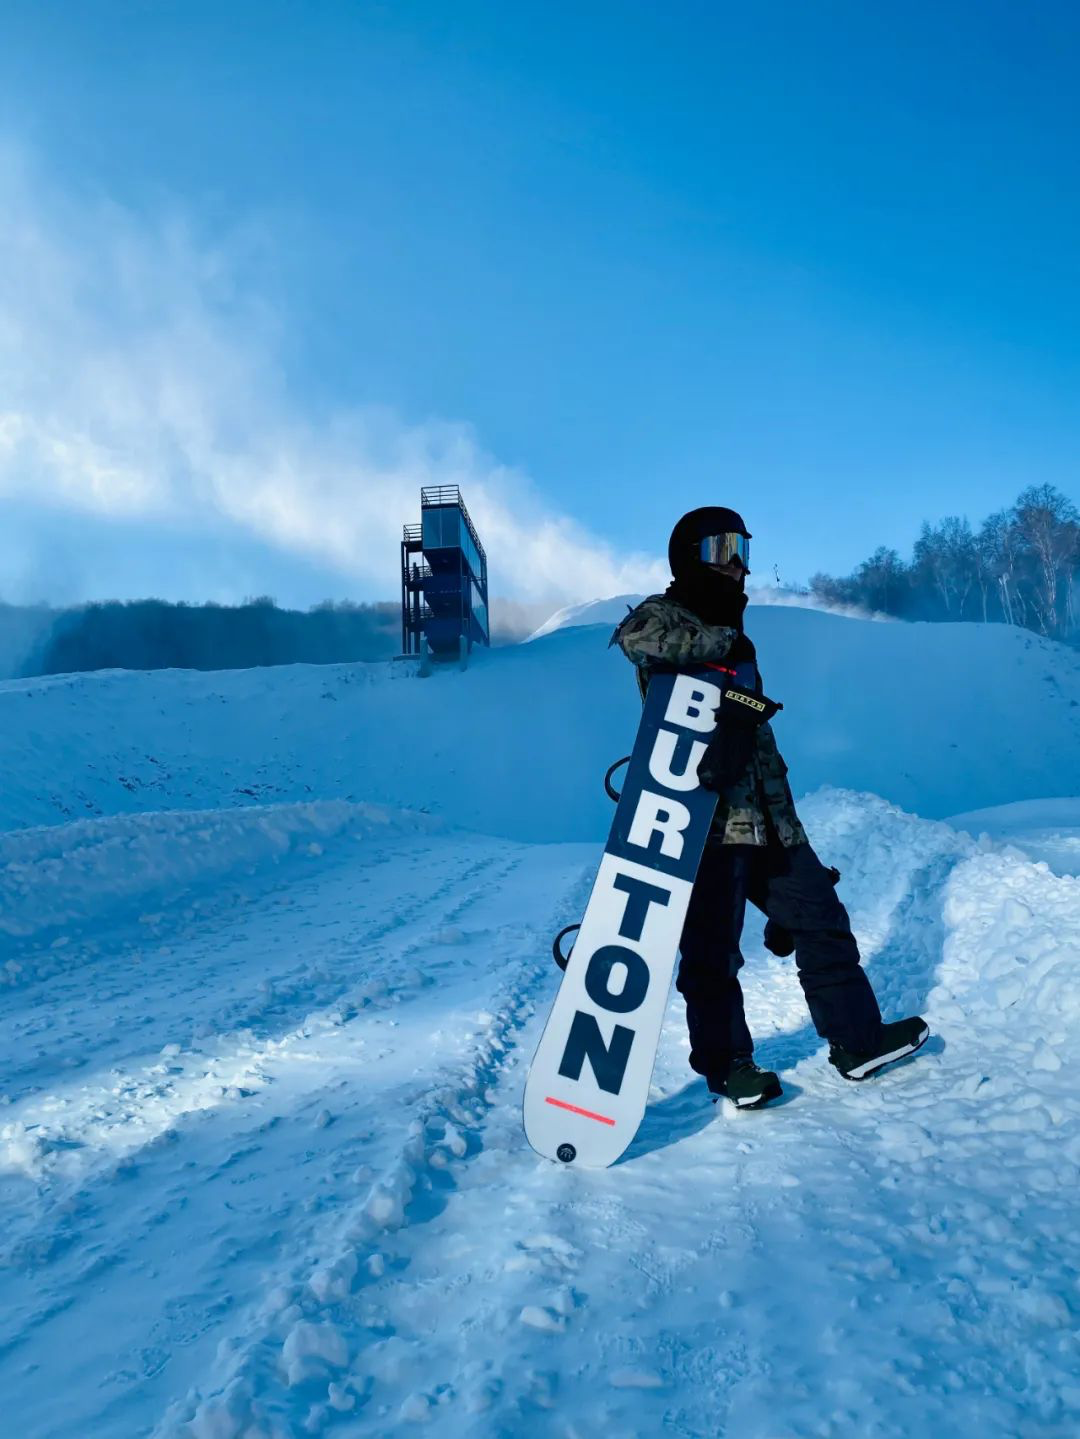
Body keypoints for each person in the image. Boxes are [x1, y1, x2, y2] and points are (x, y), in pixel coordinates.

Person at [610, 506, 929, 1108]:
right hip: (701, 820)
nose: (734, 563)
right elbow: (636, 639)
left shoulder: (736, 636)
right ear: (688, 557)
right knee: (713, 951)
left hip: (768, 817)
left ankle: (857, 1041)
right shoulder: (665, 617)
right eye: (719, 548)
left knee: (819, 917)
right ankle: (730, 1067)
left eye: (741, 549)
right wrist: (726, 639)